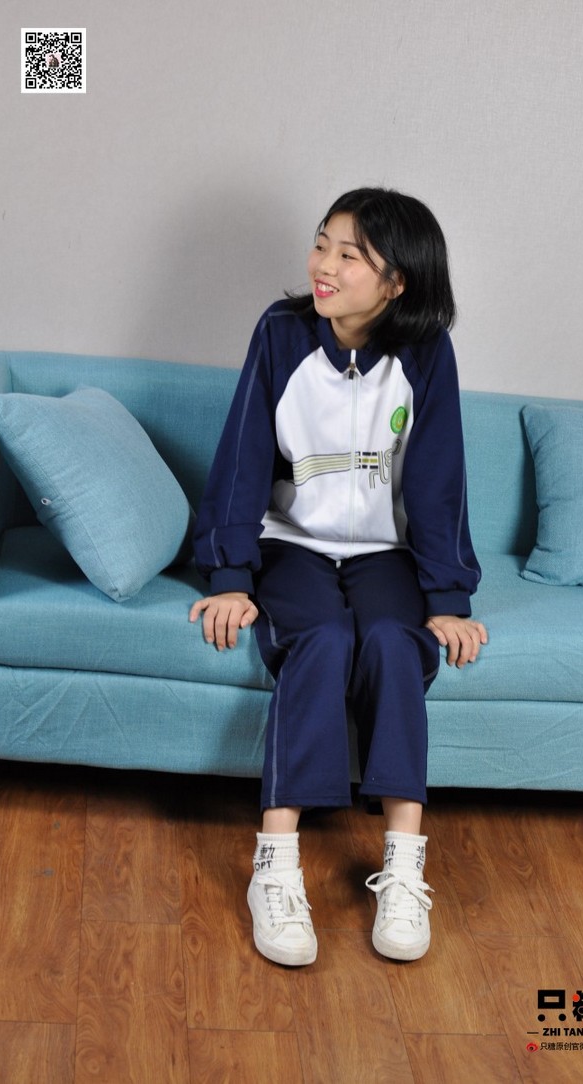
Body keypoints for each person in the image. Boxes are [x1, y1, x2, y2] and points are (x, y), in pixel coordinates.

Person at [189, 187, 487, 966]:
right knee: (319, 637)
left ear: (396, 283)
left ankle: (404, 867)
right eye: (323, 243)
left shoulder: (426, 352)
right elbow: (243, 454)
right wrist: (229, 575)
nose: (323, 264)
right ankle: (276, 866)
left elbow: (439, 479)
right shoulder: (281, 333)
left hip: (385, 554)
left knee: (393, 640)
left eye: (349, 255)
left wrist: (447, 597)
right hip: (290, 545)